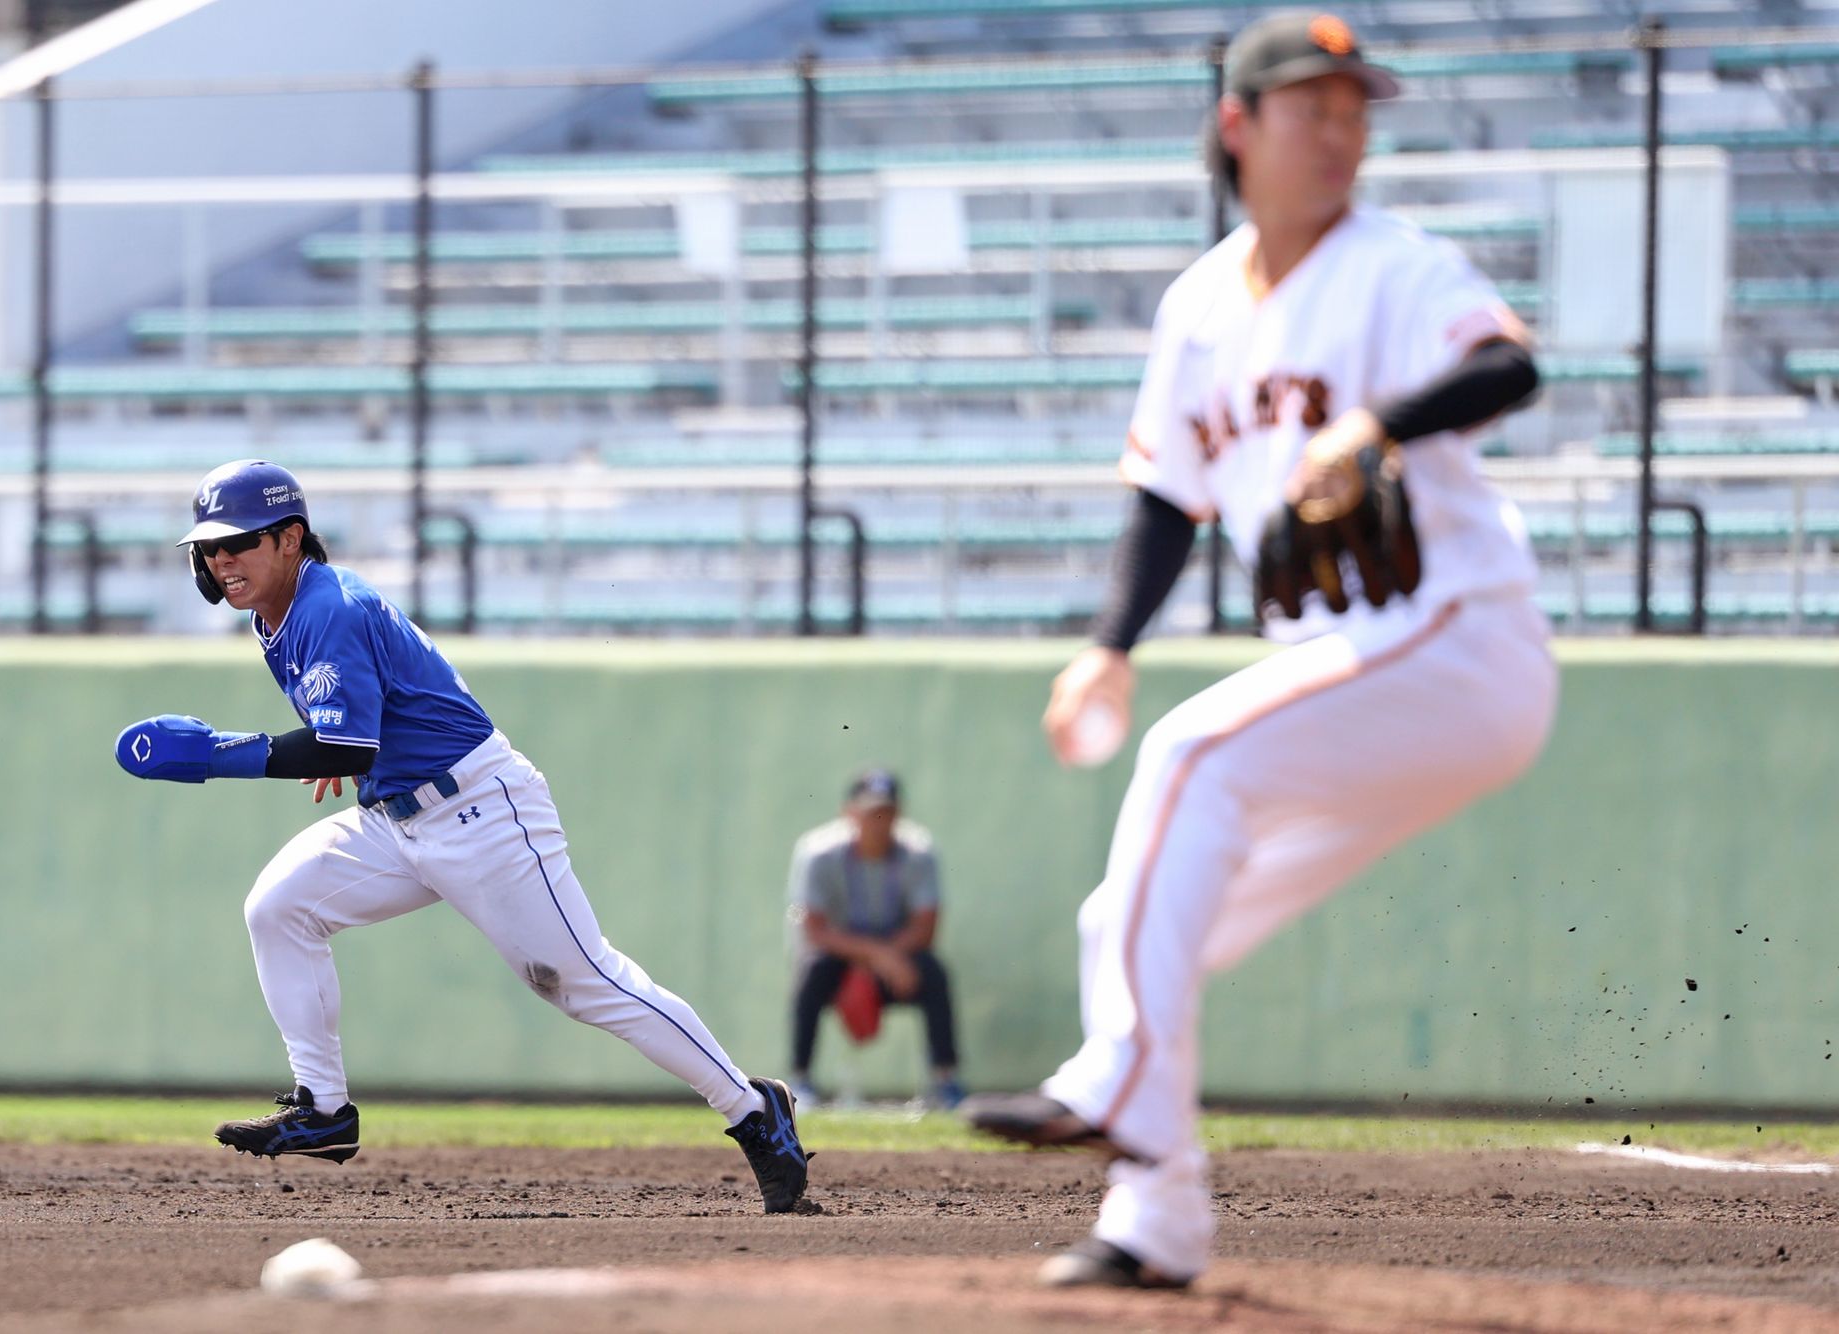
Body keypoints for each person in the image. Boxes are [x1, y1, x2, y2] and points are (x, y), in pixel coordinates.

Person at [961, 12, 1558, 1290]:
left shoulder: (1394, 265)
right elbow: (1167, 499)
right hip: (1349, 677)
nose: (1340, 130)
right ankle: (1155, 1215)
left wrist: (1372, 428)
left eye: (1354, 108)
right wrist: (1108, 647)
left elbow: (1509, 365)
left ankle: (1108, 1078)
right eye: (1310, 106)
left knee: (1188, 752)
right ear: (1237, 127)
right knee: (1130, 912)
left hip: (1455, 636)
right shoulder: (1196, 307)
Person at [111, 459, 809, 1214]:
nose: (221, 560)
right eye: (209, 549)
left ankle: (749, 1107)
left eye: (238, 542)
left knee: (582, 982)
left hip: (480, 811)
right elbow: (352, 734)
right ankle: (323, 1109)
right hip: (397, 818)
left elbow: (346, 747)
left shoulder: (327, 606)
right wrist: (335, 748)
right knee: (279, 906)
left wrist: (222, 754)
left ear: (289, 539)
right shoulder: (276, 615)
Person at [786, 769, 963, 1108]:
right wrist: (875, 957)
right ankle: (800, 1081)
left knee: (934, 972)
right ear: (848, 812)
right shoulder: (817, 853)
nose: (878, 822)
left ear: (899, 814)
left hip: (897, 959)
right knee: (810, 970)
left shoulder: (920, 852)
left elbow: (926, 926)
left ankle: (946, 1080)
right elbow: (814, 930)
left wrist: (884, 959)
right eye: (870, 812)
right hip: (838, 959)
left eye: (887, 812)